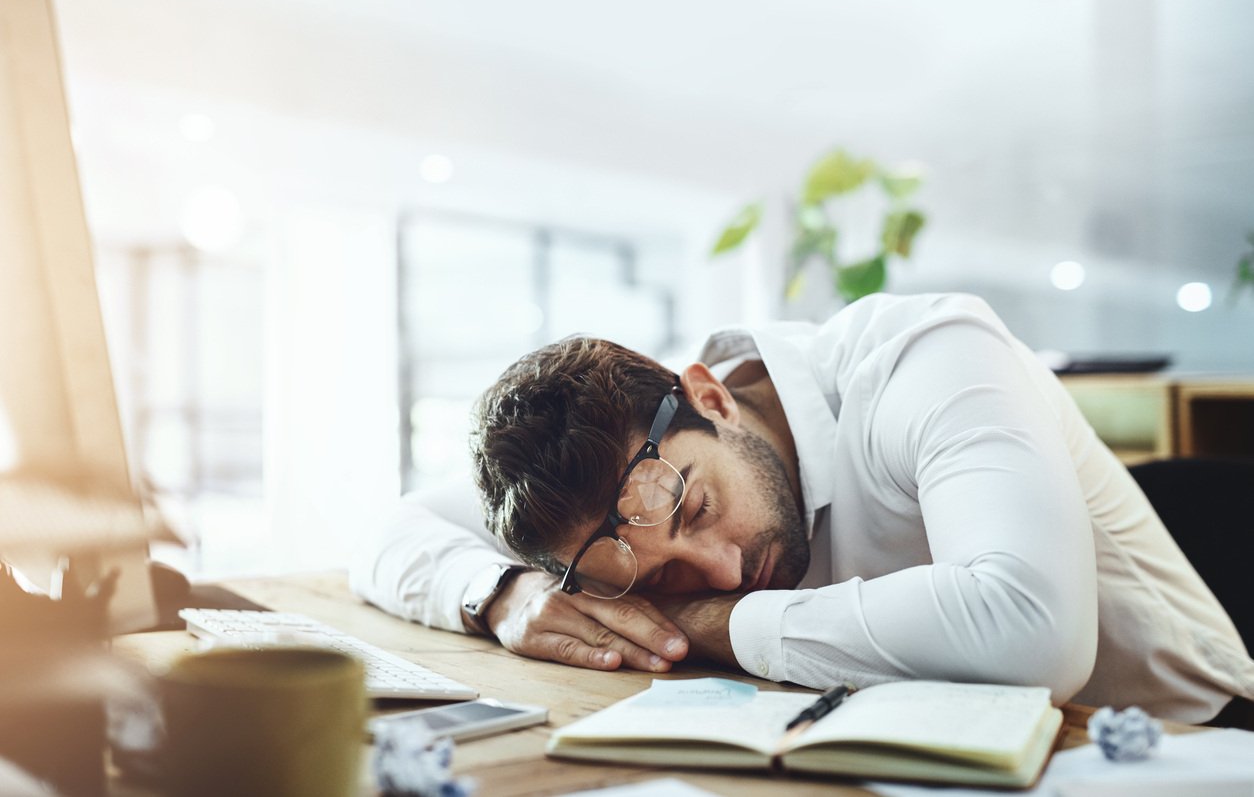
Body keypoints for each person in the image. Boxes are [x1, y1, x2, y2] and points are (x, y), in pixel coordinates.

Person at [351, 292, 1254, 724]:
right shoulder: (614, 487)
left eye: (696, 508)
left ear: (707, 395)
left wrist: (708, 623)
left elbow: (1035, 631)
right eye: (655, 575)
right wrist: (504, 597)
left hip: (1171, 746)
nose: (715, 567)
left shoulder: (922, 355)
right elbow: (385, 532)